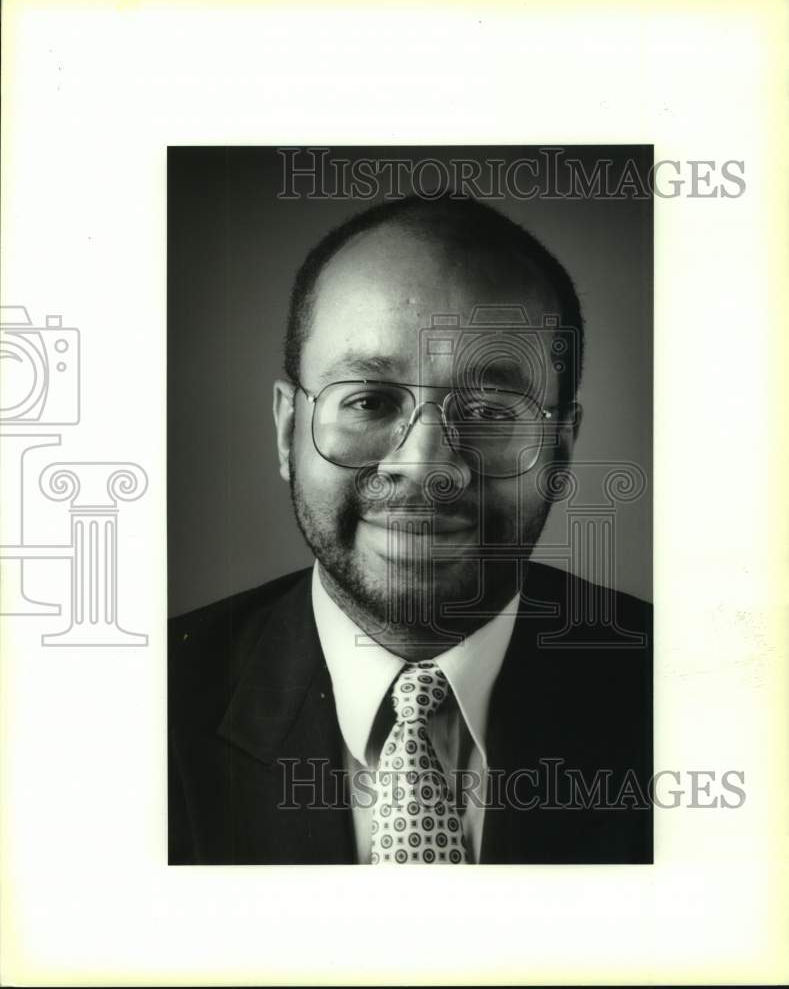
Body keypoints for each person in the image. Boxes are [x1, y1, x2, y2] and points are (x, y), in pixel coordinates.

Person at [168, 194, 652, 865]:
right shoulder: (131, 707)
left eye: (487, 409)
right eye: (368, 400)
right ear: (288, 430)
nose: (425, 466)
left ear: (560, 452)